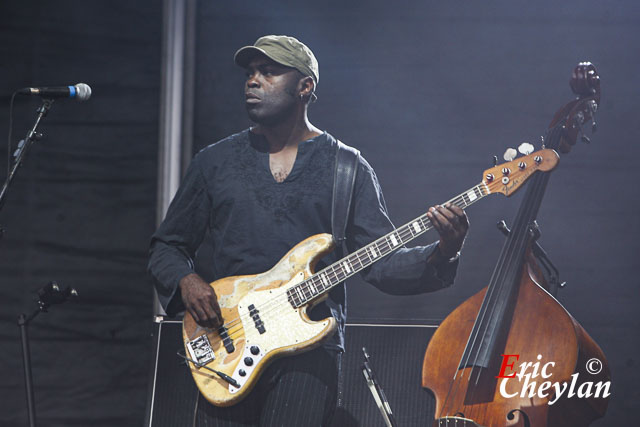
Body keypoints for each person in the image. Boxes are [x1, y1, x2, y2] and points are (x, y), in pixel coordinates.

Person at [148, 35, 469, 427]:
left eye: (268, 72)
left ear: (305, 86)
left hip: (309, 356)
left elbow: (382, 266)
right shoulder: (214, 162)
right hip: (225, 346)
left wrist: (444, 252)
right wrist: (186, 279)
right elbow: (167, 245)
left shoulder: (347, 168)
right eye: (250, 73)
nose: (253, 81)